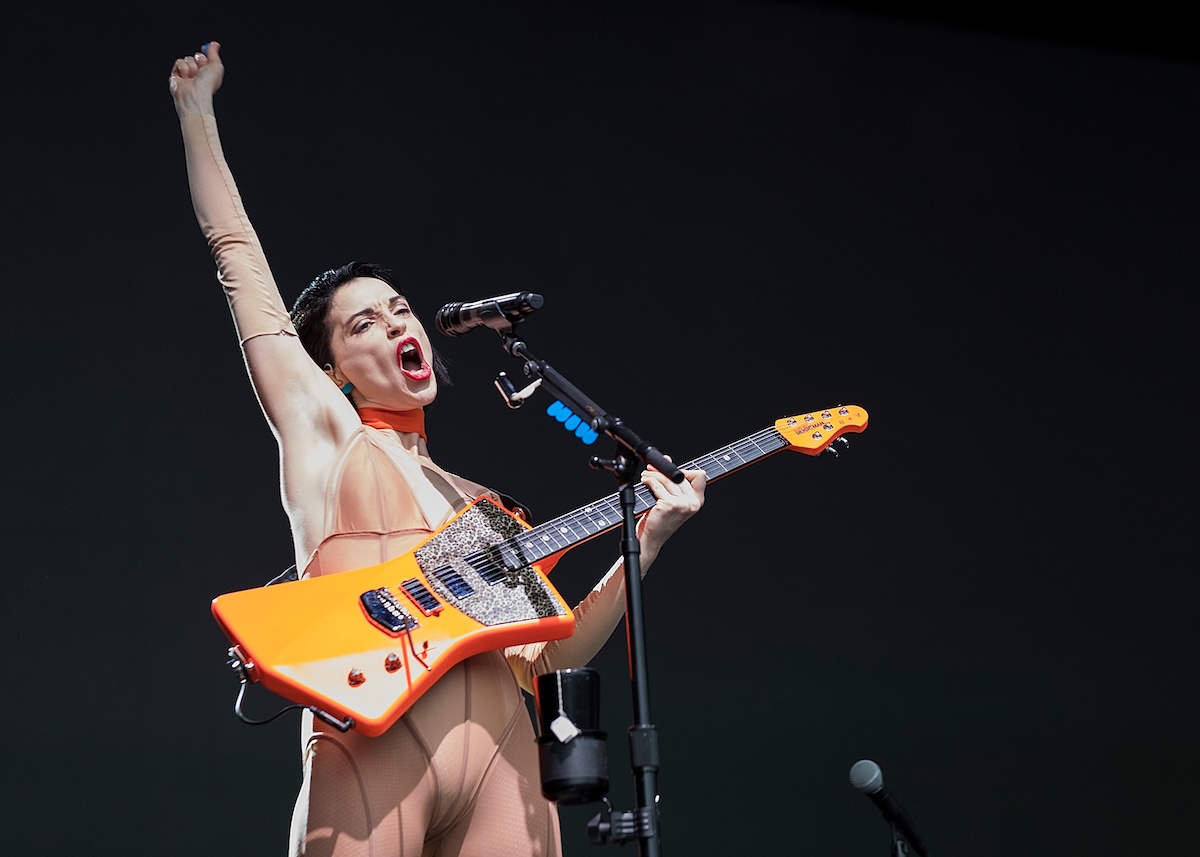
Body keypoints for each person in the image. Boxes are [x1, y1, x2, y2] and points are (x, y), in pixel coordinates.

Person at [169, 42, 706, 857]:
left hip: (504, 765)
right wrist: (196, 111)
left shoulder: (483, 505)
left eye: (400, 309)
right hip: (373, 747)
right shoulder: (329, 437)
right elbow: (236, 258)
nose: (397, 325)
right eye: (365, 324)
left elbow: (545, 651)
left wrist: (648, 538)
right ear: (332, 373)